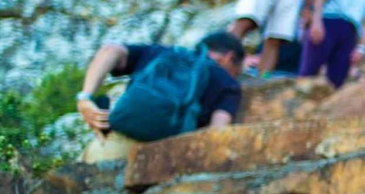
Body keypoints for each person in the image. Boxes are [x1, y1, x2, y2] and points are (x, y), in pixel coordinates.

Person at [76, 32, 247, 138]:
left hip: (119, 138)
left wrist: (85, 97)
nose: (234, 76)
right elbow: (217, 133)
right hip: (172, 148)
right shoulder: (228, 84)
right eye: (236, 72)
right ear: (230, 58)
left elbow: (110, 50)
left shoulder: (162, 53)